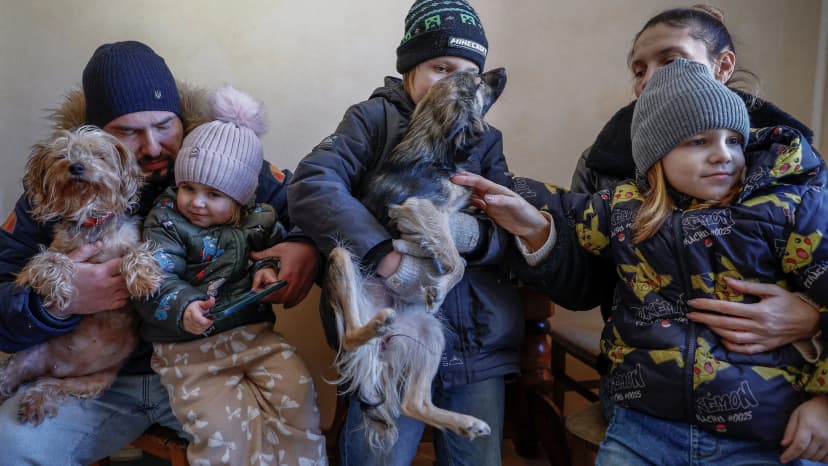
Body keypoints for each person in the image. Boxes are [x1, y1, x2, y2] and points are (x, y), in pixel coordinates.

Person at [454, 58, 828, 464]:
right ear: (657, 158)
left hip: (764, 432)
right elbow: (563, 209)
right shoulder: (624, 209)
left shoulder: (788, 207)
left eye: (734, 141)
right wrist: (528, 218)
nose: (723, 155)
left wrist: (825, 399)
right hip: (644, 426)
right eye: (698, 142)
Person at [0, 41, 320, 465]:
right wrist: (56, 305)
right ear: (98, 136)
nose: (152, 146)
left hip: (214, 368)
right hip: (97, 385)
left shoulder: (223, 158)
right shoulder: (59, 185)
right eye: (127, 131)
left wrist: (303, 245)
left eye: (164, 125)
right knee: (11, 444)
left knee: (274, 443)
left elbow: (311, 206)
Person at [286, 1, 522, 464]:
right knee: (378, 453)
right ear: (410, 69)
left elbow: (506, 224)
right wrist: (382, 254)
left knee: (479, 455)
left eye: (468, 73)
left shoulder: (485, 139)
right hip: (386, 331)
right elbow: (314, 184)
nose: (453, 83)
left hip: (475, 343)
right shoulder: (372, 119)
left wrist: (464, 233)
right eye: (440, 67)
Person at [571, 4, 823, 356]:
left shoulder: (789, 163)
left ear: (722, 67)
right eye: (639, 70)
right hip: (648, 378)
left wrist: (813, 318)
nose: (648, 79)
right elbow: (582, 285)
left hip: (772, 382)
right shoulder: (601, 164)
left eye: (671, 61)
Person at [133, 85, 326, 465]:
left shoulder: (260, 218)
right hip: (188, 353)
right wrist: (184, 305)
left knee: (297, 388)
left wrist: (267, 271)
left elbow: (271, 253)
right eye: (187, 187)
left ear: (240, 196)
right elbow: (154, 277)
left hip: (253, 337)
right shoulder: (166, 220)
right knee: (221, 430)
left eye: (213, 193)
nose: (196, 202)